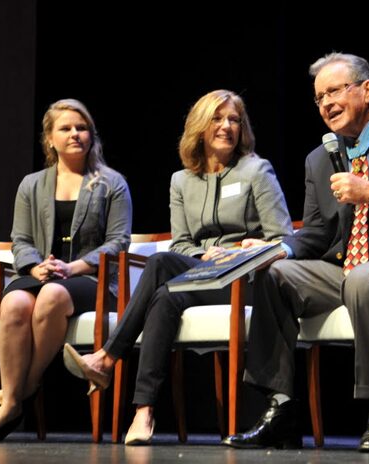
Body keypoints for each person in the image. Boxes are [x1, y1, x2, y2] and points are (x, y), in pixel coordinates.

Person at [223, 53, 369, 453]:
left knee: (365, 278)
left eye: (334, 91)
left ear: (367, 90)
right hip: (347, 267)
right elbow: (316, 233)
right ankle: (279, 407)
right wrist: (277, 248)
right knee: (274, 274)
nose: (327, 103)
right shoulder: (319, 158)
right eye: (319, 97)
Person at [60, 90, 292, 445]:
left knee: (159, 263)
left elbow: (281, 237)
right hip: (201, 273)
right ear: (200, 127)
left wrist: (232, 254)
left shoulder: (256, 171)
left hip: (246, 277)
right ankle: (144, 411)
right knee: (164, 296)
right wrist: (205, 256)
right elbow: (181, 243)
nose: (227, 126)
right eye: (217, 119)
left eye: (234, 120)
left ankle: (107, 358)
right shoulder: (181, 180)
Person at [0, 99, 133, 442]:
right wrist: (34, 266)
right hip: (41, 273)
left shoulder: (112, 183)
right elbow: (21, 239)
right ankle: (15, 398)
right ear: (49, 139)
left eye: (82, 127)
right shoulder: (31, 184)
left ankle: (14, 397)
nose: (75, 134)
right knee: (13, 305)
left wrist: (71, 267)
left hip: (92, 279)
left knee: (53, 296)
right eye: (66, 128)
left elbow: (119, 242)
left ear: (92, 135)